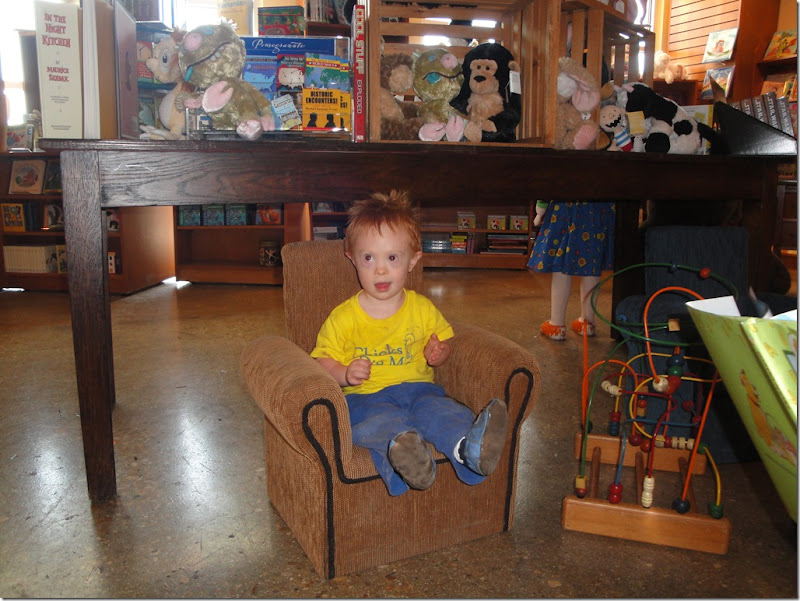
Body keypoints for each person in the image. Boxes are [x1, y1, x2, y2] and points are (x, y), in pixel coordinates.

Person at [311, 190, 508, 496]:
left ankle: (468, 450)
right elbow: (322, 361)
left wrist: (439, 353)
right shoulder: (343, 317)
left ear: (413, 260)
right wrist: (345, 373)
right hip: (367, 398)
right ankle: (410, 460)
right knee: (382, 424)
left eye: (392, 258)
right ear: (352, 258)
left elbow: (443, 343)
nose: (380, 269)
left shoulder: (422, 308)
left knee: (443, 413)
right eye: (368, 258)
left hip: (420, 391)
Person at [529, 200, 615, 341]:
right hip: (599, 210)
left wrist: (540, 209)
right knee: (592, 264)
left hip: (566, 209)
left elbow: (548, 187)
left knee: (561, 264)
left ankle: (557, 325)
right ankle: (587, 324)